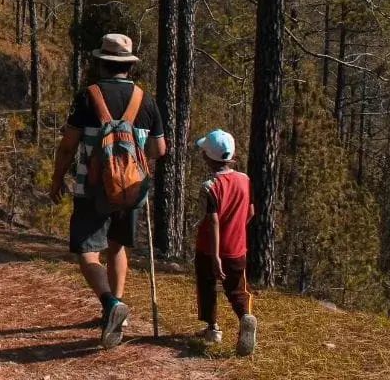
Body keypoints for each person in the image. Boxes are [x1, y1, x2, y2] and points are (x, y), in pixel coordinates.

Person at [49, 33, 167, 349]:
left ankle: (110, 304)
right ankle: (119, 309)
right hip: (131, 188)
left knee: (88, 251)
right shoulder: (146, 100)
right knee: (118, 247)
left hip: (92, 187)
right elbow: (159, 149)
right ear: (128, 66)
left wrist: (57, 178)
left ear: (102, 62)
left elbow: (67, 146)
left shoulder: (88, 97)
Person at [193, 129, 258, 356]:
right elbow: (250, 212)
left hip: (209, 249)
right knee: (237, 289)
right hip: (237, 248)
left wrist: (215, 255)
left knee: (207, 286)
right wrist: (237, 228)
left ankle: (212, 328)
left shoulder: (209, 186)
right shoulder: (245, 180)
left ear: (208, 157)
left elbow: (212, 222)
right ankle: (245, 317)